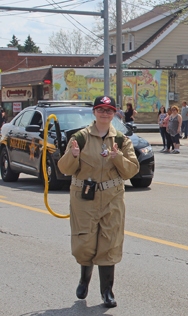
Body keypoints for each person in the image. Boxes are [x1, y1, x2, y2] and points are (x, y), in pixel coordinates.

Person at [57, 96, 140, 308]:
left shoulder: (121, 140)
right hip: (84, 196)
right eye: (101, 110)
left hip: (112, 196)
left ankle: (107, 291)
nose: (105, 113)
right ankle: (84, 281)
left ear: (115, 113)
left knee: (109, 242)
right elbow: (65, 169)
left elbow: (132, 170)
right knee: (85, 242)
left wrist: (117, 157)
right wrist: (73, 155)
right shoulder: (80, 138)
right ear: (94, 112)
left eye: (109, 110)